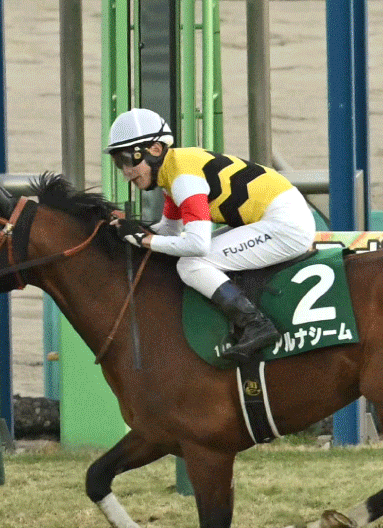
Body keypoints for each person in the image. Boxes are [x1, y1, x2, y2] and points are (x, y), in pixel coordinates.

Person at [104, 108, 318, 364]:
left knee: (191, 264)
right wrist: (132, 230)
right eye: (119, 162)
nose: (126, 171)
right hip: (274, 217)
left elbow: (197, 245)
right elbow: (169, 232)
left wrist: (143, 239)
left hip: (285, 225)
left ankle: (256, 324)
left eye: (128, 159)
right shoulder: (172, 174)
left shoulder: (184, 178)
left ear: (156, 150)